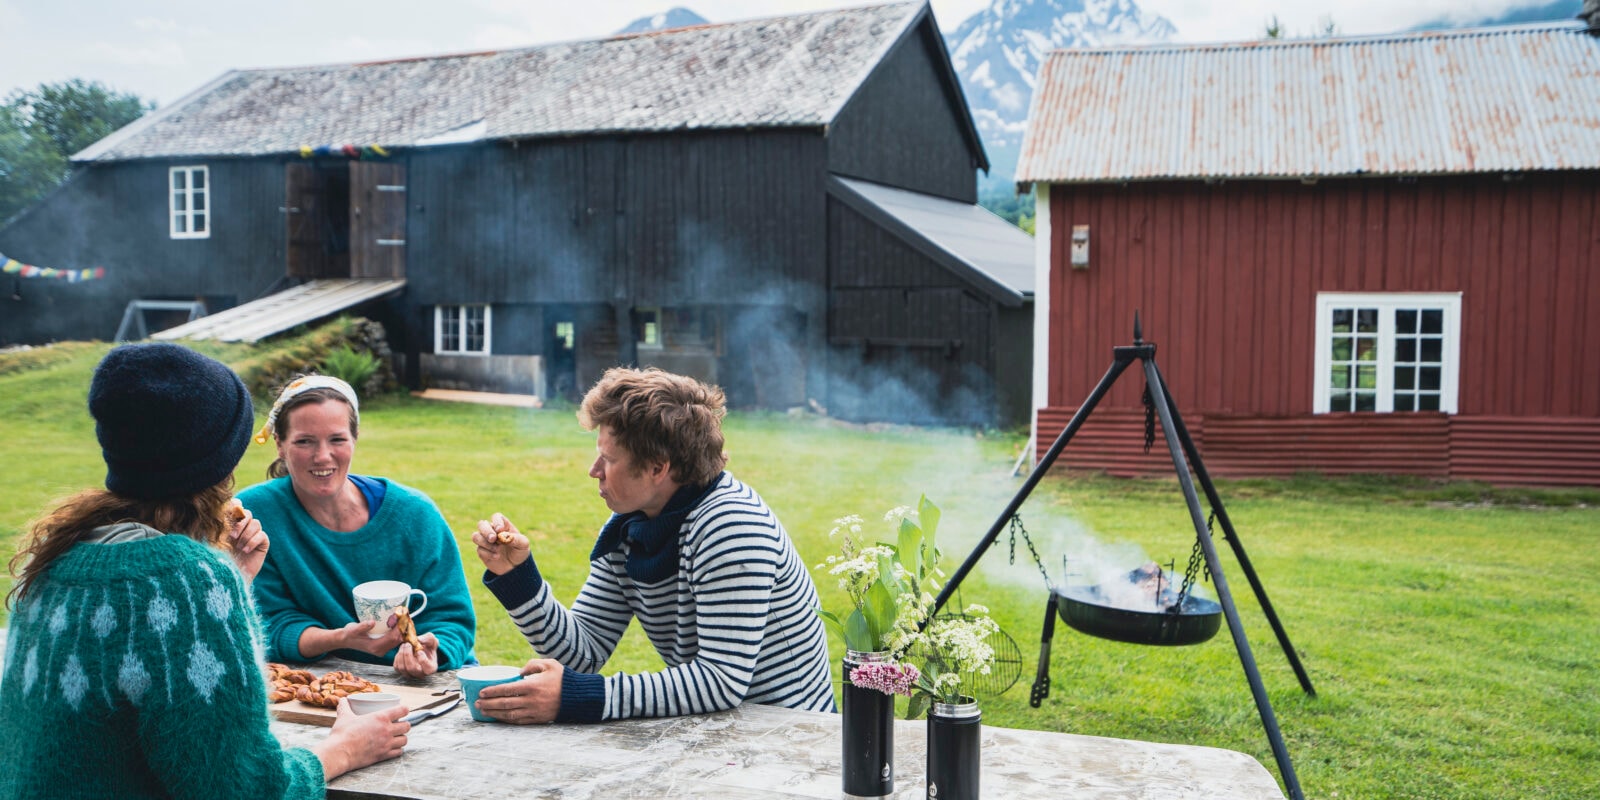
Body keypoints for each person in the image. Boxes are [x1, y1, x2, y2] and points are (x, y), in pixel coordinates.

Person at [0, 343, 407, 799]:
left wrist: (234, 581)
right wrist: (344, 750)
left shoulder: (58, 560)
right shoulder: (186, 583)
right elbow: (240, 789)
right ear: (217, 462)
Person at [471, 366, 835, 724]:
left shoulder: (730, 525)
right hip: (720, 731)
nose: (594, 470)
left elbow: (721, 680)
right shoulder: (633, 526)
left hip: (790, 737)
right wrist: (517, 576)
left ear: (658, 468)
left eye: (609, 459)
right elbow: (582, 653)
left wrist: (579, 697)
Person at [239, 375, 476, 677]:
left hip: (431, 682)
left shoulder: (415, 515)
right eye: (304, 441)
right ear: (280, 445)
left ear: (355, 438)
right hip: (323, 682)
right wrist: (339, 638)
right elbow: (264, 622)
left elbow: (452, 617)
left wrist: (432, 653)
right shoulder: (256, 515)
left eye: (337, 439)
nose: (322, 456)